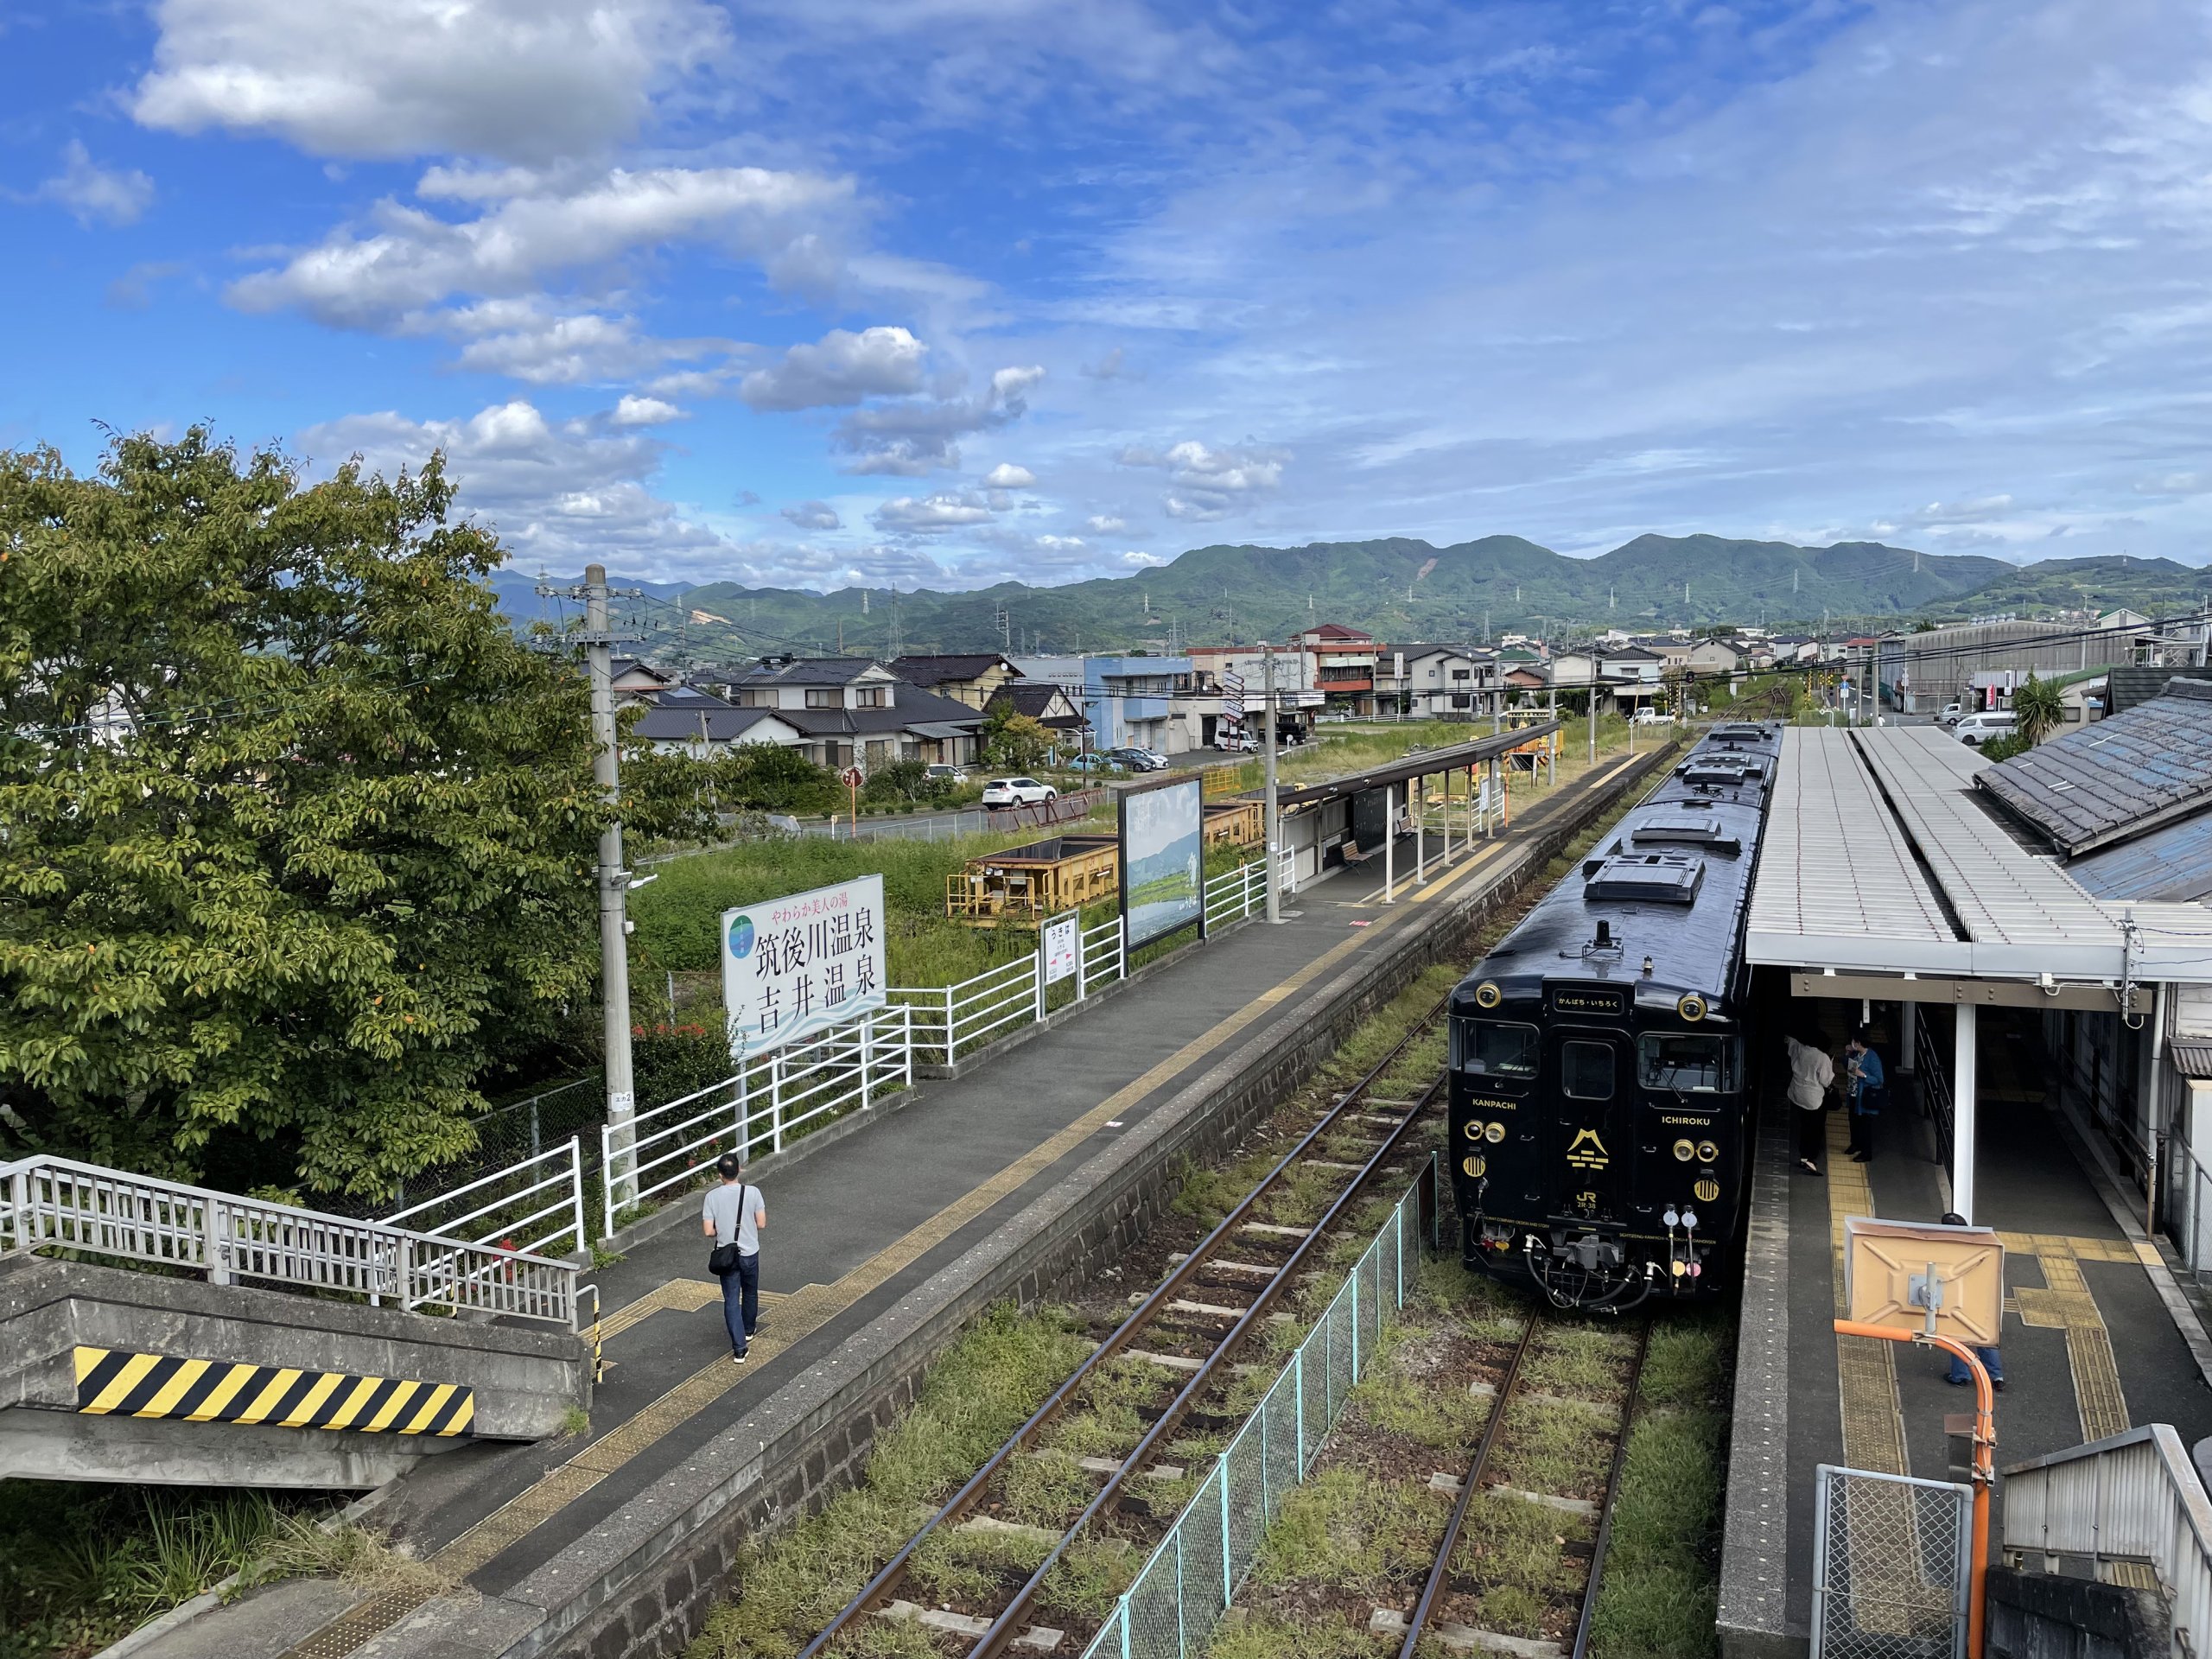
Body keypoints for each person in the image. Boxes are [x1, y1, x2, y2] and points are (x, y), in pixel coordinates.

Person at [701, 1153, 766, 1363]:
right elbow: (761, 1223)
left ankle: (739, 1349)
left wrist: (722, 1230)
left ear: (720, 1175)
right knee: (750, 1292)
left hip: (727, 1256)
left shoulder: (711, 1197)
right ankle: (748, 1329)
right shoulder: (753, 1193)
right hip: (749, 1252)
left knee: (731, 1299)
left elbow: (708, 1231)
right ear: (739, 1170)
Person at [1938, 1212, 2005, 1391]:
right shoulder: (1984, 1244)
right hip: (1984, 1299)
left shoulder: (1948, 1249)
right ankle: (1996, 1377)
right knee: (1984, 1337)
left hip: (1959, 1299)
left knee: (1958, 1336)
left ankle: (1960, 1376)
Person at [1786, 1026, 1836, 1176]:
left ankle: (1803, 1157)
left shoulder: (1799, 1048)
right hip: (1813, 1099)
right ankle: (1810, 1159)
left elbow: (1789, 1040)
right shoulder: (1822, 1057)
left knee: (1804, 1126)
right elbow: (1826, 1081)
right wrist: (1831, 1063)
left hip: (1796, 1093)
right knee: (1815, 1129)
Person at [1843, 1028, 1886, 1163]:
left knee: (1865, 1126)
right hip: (1853, 1093)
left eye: (1854, 1041)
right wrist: (1847, 1054)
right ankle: (1855, 1144)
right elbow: (1847, 1065)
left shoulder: (1872, 1058)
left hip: (1864, 1097)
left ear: (1859, 1042)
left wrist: (1864, 1075)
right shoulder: (1856, 1053)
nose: (1852, 1043)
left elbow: (1879, 1079)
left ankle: (1866, 1153)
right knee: (1853, 1121)